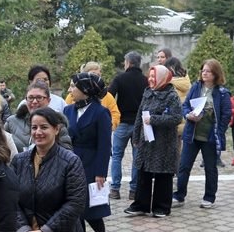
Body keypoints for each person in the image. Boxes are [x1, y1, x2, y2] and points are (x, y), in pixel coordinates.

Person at [64, 72, 113, 232]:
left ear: (85, 90)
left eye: (72, 86)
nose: (70, 90)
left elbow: (104, 145)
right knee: (74, 209)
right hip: (70, 162)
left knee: (89, 208)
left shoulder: (101, 113)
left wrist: (101, 172)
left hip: (91, 163)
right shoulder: (68, 111)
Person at [126, 64, 183, 217]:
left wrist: (154, 120)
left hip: (164, 143)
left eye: (154, 76)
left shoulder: (171, 95)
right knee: (143, 173)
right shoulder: (147, 92)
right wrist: (136, 136)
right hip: (147, 142)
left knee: (163, 175)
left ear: (163, 78)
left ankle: (161, 207)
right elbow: (140, 115)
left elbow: (177, 117)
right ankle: (140, 205)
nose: (150, 79)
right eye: (150, 76)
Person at [176, 59, 231, 208]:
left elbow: (226, 115)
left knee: (210, 168)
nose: (204, 73)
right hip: (192, 133)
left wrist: (219, 132)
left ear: (215, 74)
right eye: (203, 70)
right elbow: (186, 105)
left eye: (208, 71)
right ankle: (179, 196)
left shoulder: (222, 93)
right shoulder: (196, 87)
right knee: (184, 166)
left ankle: (209, 197)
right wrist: (188, 115)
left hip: (210, 137)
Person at [108, 52, 148, 201]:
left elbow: (109, 96)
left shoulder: (120, 78)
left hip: (122, 122)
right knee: (137, 157)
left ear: (128, 63)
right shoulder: (145, 80)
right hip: (140, 124)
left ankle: (115, 189)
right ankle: (133, 190)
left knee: (117, 156)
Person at [7, 82, 72, 153]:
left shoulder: (57, 123)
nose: (34, 101)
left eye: (39, 98)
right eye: (30, 98)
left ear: (48, 100)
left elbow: (67, 155)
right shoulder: (12, 122)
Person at [63, 62, 121, 131]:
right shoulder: (71, 97)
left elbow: (115, 113)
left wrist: (109, 126)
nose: (96, 77)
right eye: (93, 74)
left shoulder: (107, 96)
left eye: (98, 75)